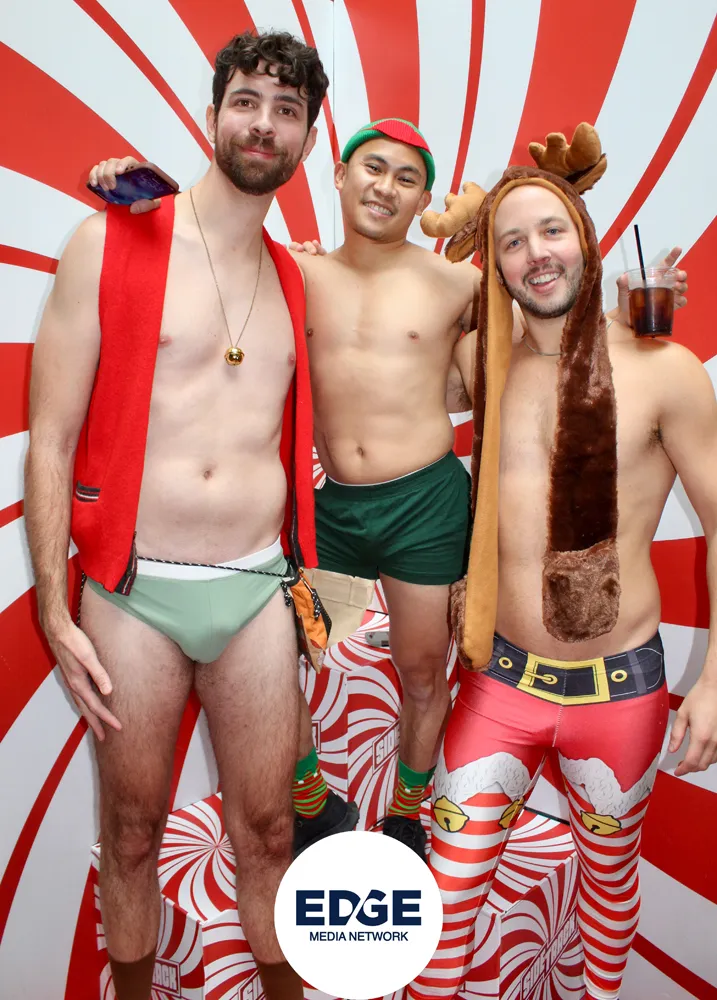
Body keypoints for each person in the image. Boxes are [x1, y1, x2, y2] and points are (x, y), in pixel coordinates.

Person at [25, 31, 330, 1000]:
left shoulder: (299, 279)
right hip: (134, 590)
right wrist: (53, 609)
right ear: (212, 114)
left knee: (271, 832)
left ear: (307, 138)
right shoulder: (112, 241)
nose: (263, 125)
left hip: (257, 590)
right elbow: (49, 438)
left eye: (287, 110)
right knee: (130, 832)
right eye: (247, 101)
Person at [408, 139, 716, 1000]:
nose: (535, 253)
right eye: (511, 241)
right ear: (494, 264)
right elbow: (379, 360)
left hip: (620, 692)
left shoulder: (664, 370)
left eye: (551, 231)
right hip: (499, 684)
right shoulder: (480, 362)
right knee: (443, 898)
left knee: (608, 888)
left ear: (584, 237)